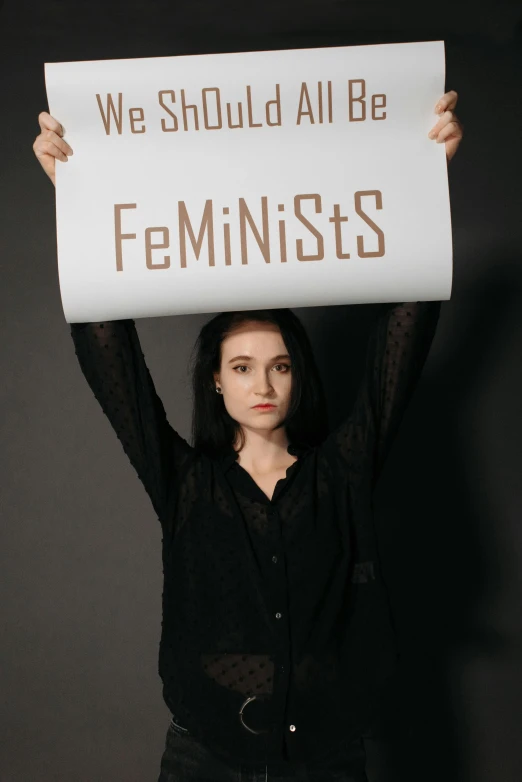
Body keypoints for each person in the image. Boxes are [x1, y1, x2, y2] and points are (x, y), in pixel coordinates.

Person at [33, 93, 463, 782]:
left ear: (299, 378)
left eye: (280, 365)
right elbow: (109, 357)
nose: (262, 383)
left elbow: (402, 344)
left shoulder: (341, 472)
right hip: (206, 754)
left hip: (327, 755)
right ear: (217, 383)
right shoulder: (186, 483)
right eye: (242, 367)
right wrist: (76, 198)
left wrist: (427, 179)